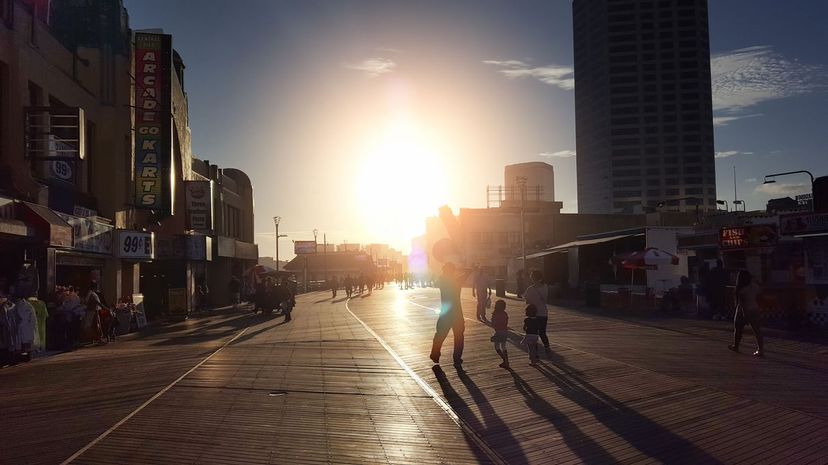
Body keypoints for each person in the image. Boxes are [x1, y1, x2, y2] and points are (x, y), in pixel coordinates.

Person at [430, 262, 474, 366]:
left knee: (440, 334)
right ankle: (457, 358)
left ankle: (435, 353)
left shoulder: (442, 280)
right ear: (453, 271)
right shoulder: (456, 281)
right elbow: (468, 272)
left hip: (445, 312)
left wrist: (455, 270)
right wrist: (461, 268)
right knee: (459, 336)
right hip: (457, 312)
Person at [729, 270, 765, 357]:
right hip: (754, 309)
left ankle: (736, 346)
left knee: (738, 329)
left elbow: (742, 303)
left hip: (742, 311)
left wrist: (745, 315)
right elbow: (760, 296)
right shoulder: (755, 286)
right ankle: (760, 349)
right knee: (757, 331)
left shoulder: (741, 289)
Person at [523, 270, 551, 354]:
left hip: (533, 314)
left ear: (532, 278)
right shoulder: (545, 286)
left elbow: (527, 301)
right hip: (543, 313)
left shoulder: (530, 289)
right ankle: (547, 348)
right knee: (542, 332)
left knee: (533, 334)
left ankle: (535, 354)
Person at [490, 299, 509, 369]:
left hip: (498, 332)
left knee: (497, 347)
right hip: (505, 331)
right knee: (503, 346)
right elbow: (506, 322)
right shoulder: (505, 313)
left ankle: (505, 360)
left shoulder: (495, 314)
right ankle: (506, 361)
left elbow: (493, 323)